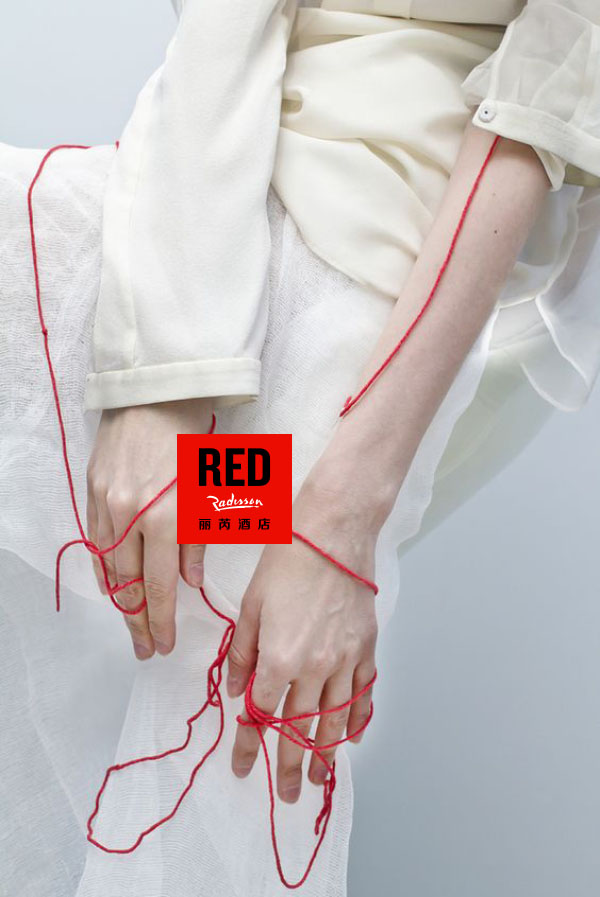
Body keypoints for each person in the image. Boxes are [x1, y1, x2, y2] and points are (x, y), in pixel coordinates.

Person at [1, 1, 599, 894]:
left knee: (245, 662)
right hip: (197, 219)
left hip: (362, 313)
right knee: (187, 593)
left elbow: (537, 113)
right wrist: (159, 380)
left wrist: (336, 523)